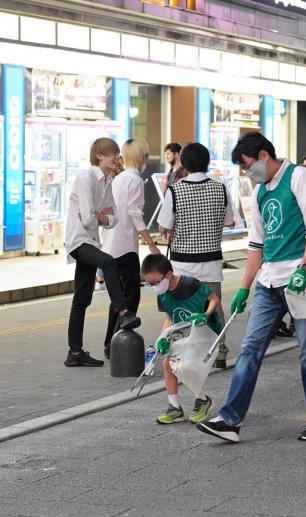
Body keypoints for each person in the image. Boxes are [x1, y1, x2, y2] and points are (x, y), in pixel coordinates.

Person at [197, 132, 306, 442]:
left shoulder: (299, 177)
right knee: (250, 349)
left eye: (248, 166)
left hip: (301, 279)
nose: (247, 174)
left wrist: (305, 268)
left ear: (263, 155)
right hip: (269, 282)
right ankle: (230, 420)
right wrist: (244, 288)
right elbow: (256, 244)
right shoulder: (259, 192)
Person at [64, 138, 141, 368]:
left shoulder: (108, 181)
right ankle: (124, 311)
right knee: (108, 262)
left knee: (82, 299)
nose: (117, 159)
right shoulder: (86, 178)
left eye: (118, 155)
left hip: (91, 241)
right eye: (113, 155)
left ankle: (75, 353)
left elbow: (113, 219)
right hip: (78, 241)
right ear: (99, 156)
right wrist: (99, 215)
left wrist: (98, 215)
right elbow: (88, 219)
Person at [158, 143, 234, 369]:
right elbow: (230, 221)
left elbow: (164, 227)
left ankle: (185, 351)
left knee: (181, 309)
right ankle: (219, 350)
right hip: (211, 261)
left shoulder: (175, 190)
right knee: (214, 306)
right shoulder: (220, 188)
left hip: (182, 263)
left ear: (184, 163)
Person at [141, 254, 221, 424]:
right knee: (167, 363)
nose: (153, 286)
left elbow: (214, 299)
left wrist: (205, 315)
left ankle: (202, 400)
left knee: (185, 363)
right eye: (149, 283)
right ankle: (175, 408)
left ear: (168, 275)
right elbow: (170, 319)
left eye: (155, 282)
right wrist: (162, 338)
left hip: (205, 333)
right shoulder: (162, 293)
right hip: (184, 334)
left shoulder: (190, 284)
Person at [101, 138, 161, 358]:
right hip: (125, 247)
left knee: (118, 299)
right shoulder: (134, 180)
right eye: (146, 155)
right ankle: (118, 345)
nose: (147, 159)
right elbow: (136, 215)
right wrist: (152, 244)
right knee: (130, 297)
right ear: (142, 157)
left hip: (111, 246)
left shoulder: (118, 179)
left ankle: (111, 344)